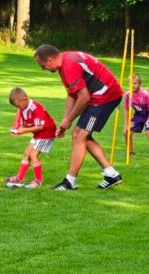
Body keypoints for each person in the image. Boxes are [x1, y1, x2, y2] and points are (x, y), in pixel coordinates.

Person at [34, 45, 123, 190]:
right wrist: (65, 120)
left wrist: (69, 120)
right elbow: (72, 94)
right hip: (99, 95)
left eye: (43, 66)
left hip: (105, 96)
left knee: (79, 135)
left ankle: (70, 182)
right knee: (82, 136)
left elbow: (84, 98)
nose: (44, 69)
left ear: (49, 60)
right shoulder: (64, 63)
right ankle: (111, 174)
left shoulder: (69, 66)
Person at [4, 86, 57, 188]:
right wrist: (16, 129)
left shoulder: (36, 108)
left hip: (46, 133)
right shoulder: (22, 107)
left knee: (33, 155)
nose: (18, 108)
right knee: (27, 153)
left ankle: (38, 181)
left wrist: (23, 130)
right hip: (38, 134)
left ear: (24, 99)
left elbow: (40, 126)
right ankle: (19, 178)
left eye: (19, 106)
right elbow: (22, 118)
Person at [124, 74, 149, 156]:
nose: (132, 85)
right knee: (127, 132)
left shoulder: (145, 94)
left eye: (135, 83)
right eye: (131, 83)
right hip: (138, 114)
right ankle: (130, 152)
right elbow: (127, 110)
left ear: (139, 84)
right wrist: (126, 124)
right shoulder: (128, 95)